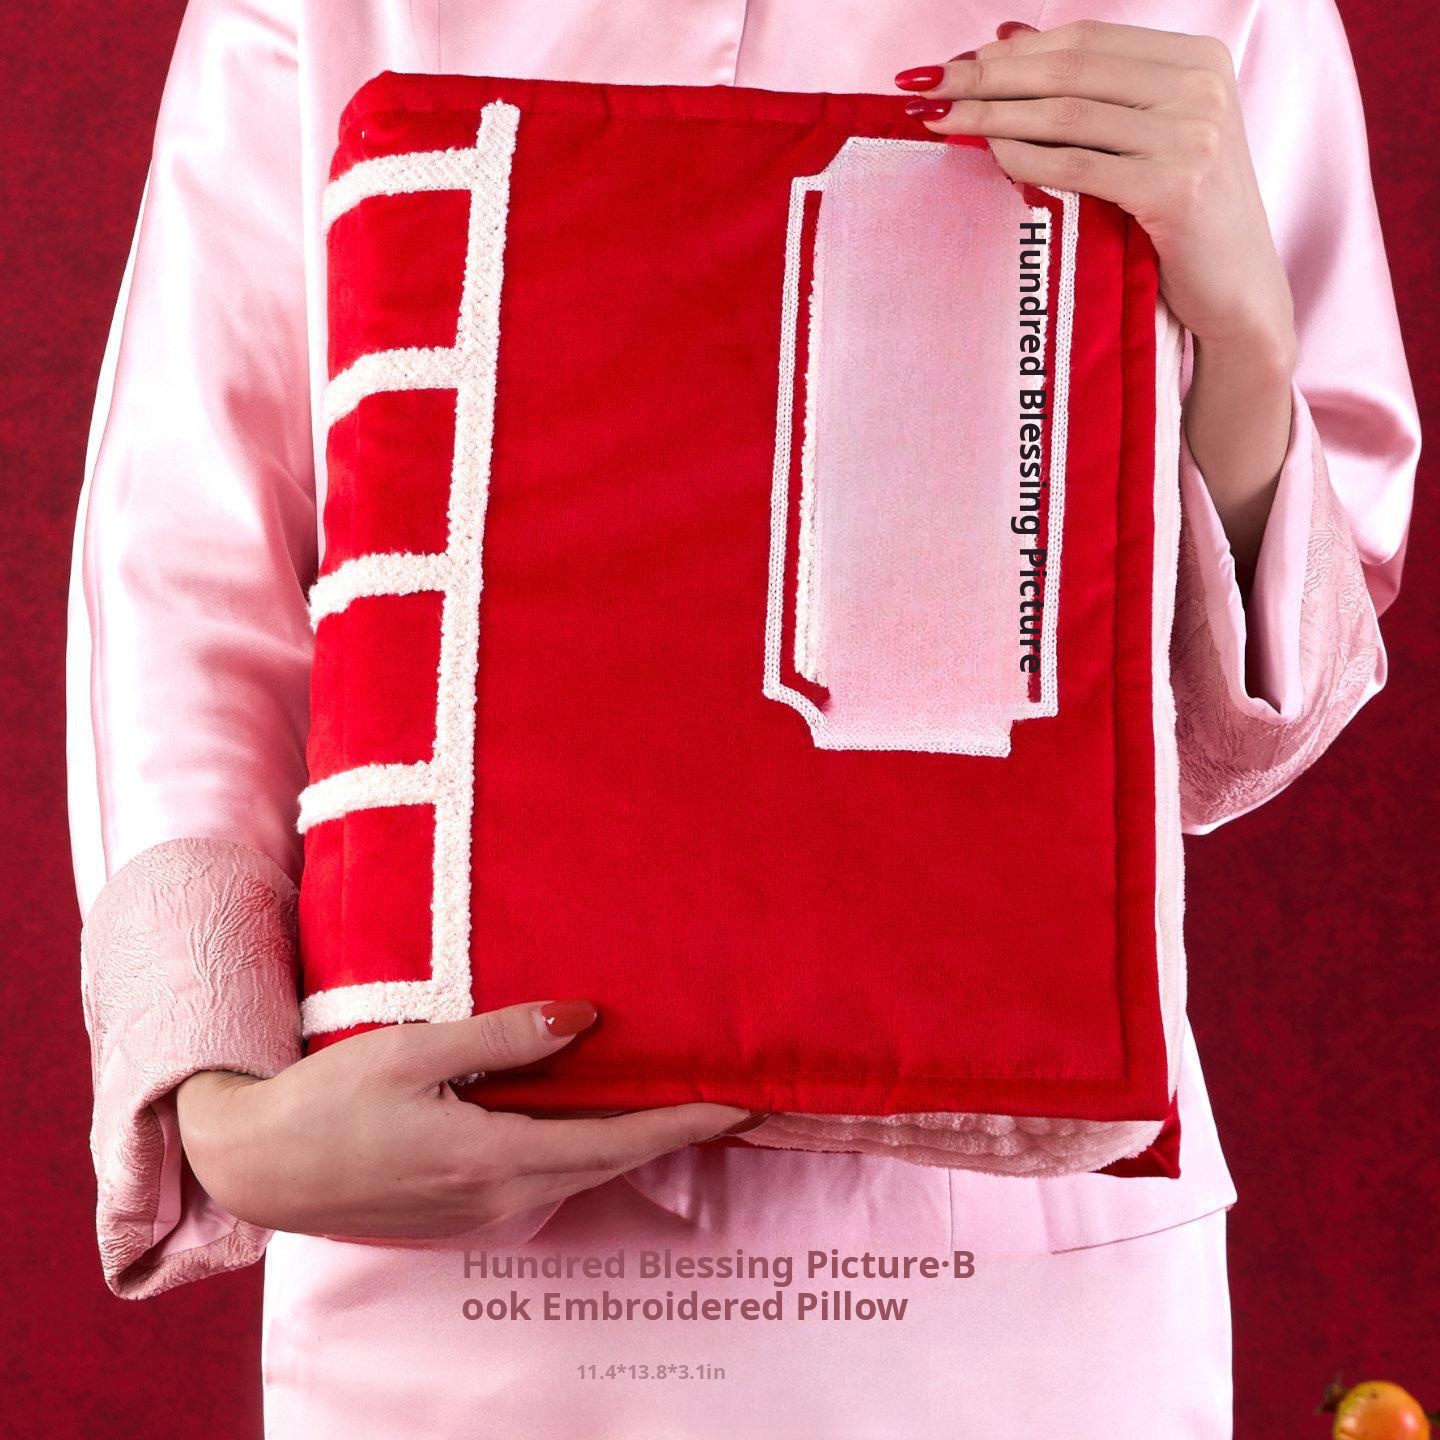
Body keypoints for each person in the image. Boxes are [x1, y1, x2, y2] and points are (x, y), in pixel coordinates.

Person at [67, 1, 1420, 1435]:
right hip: (447, 1234)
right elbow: (188, 542)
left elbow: (1231, 737)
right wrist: (217, 1102)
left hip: (1008, 1264)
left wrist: (1244, 340)